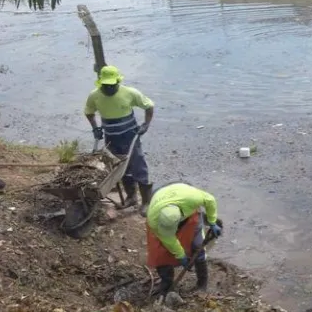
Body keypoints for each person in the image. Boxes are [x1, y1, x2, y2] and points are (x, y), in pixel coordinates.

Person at [84, 65, 154, 208]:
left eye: (112, 85)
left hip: (130, 137)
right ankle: (131, 197)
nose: (109, 88)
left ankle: (146, 202)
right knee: (120, 168)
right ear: (100, 83)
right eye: (105, 85)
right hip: (111, 138)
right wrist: (95, 128)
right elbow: (89, 111)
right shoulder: (95, 96)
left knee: (138, 166)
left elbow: (149, 106)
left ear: (118, 82)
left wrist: (146, 124)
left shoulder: (130, 93)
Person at [146, 182, 223, 295]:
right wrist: (181, 256)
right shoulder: (153, 220)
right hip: (163, 201)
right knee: (159, 252)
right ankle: (166, 283)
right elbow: (168, 240)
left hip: (188, 213)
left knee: (197, 246)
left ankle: (202, 283)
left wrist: (212, 221)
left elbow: (210, 200)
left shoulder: (192, 198)